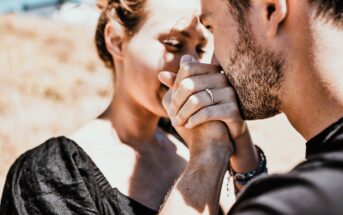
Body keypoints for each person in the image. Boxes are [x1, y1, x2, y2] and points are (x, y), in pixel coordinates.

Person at [0, 0, 260, 214]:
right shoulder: (51, 176)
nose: (190, 65)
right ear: (116, 40)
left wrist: (241, 143)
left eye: (201, 48)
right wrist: (207, 156)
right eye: (174, 44)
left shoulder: (200, 137)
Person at [158, 0, 343, 214]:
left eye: (212, 27)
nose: (213, 62)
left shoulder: (289, 207)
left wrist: (207, 154)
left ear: (270, 10)